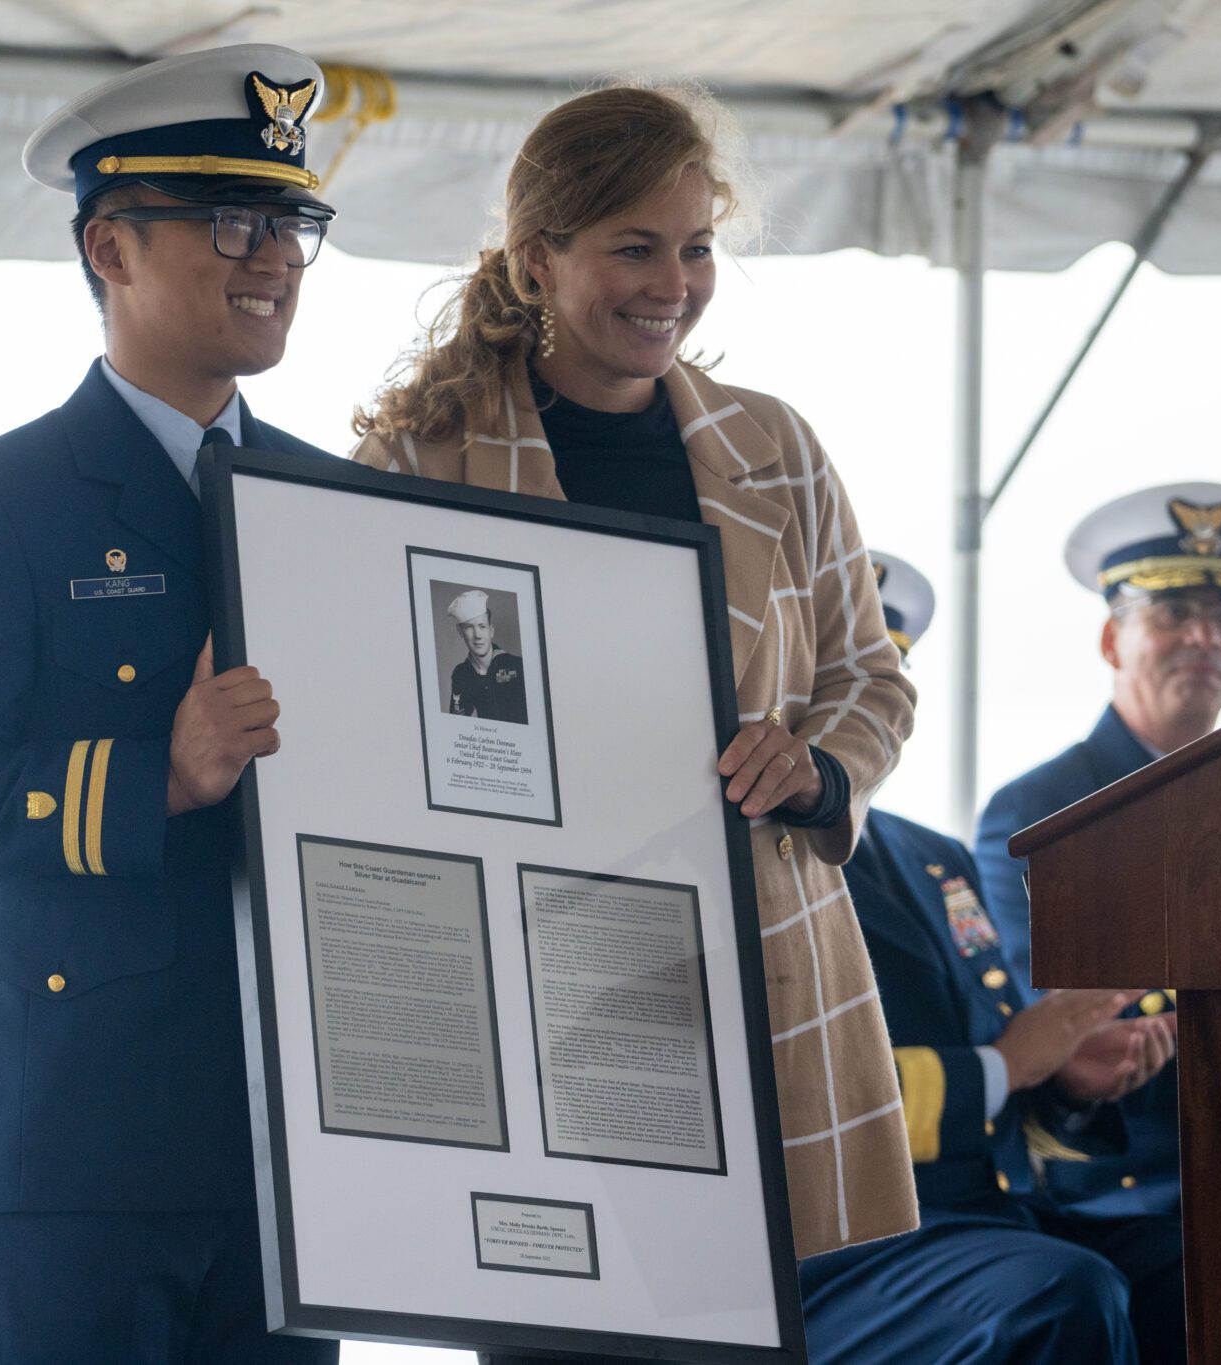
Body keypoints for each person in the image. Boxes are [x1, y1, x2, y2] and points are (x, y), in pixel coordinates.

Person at [349, 84, 921, 1291]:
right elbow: (362, 730)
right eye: (634, 248)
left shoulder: (778, 446)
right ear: (536, 258)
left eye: (697, 247)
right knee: (553, 1319)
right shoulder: (415, 459)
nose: (673, 282)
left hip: (761, 972)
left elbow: (871, 679)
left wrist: (817, 770)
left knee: (761, 1311)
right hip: (527, 986)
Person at [0, 45, 340, 1365]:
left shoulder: (332, 507)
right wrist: (158, 774)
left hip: (297, 1164)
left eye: (297, 222)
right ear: (110, 245)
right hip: (68, 1153)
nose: (279, 255)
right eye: (237, 218)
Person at [803, 551, 1185, 1364]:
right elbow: (786, 1106)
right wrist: (1007, 1065)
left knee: (1214, 1271)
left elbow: (1013, 1088)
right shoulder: (741, 859)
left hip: (993, 1219)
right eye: (824, 682)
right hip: (841, 1243)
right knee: (1061, 1296)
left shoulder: (933, 857)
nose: (858, 708)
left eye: (881, 677)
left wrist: (1067, 1083)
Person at [974, 481, 1221, 1221]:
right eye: (1175, 613)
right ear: (1113, 640)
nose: (1205, 638)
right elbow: (1050, 1024)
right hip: (1132, 1175)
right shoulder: (1038, 812)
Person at [444, 588, 528, 722]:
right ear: (460, 631)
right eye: (469, 627)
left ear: (491, 630)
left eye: (482, 626)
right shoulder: (461, 674)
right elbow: (457, 722)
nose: (477, 636)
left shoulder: (517, 665)